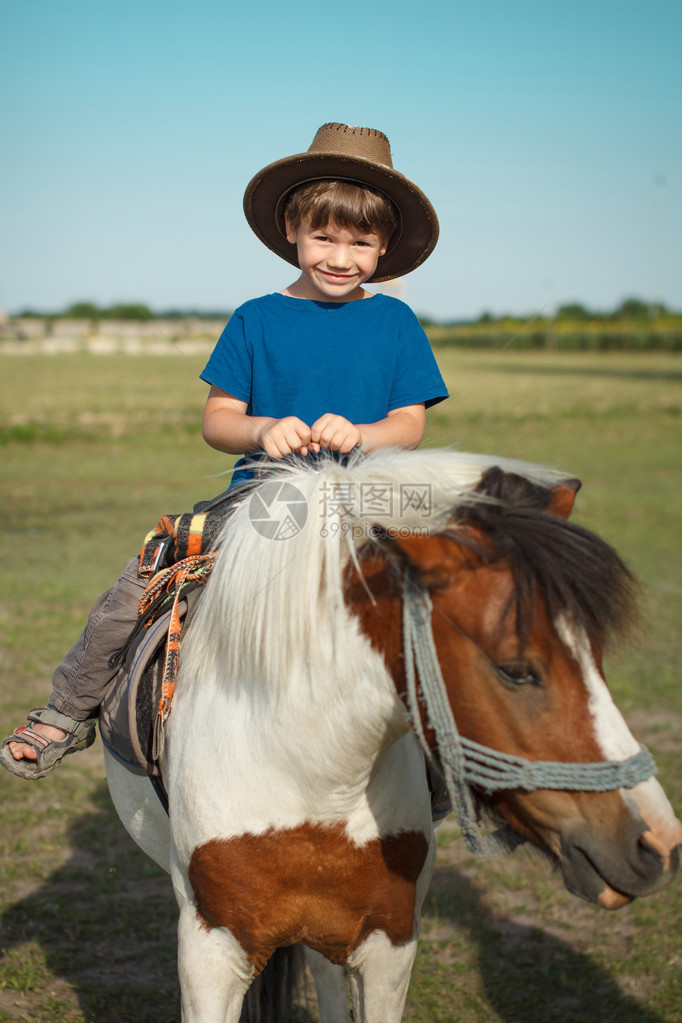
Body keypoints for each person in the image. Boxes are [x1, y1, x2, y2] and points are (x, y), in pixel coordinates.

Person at [1, 122, 448, 780]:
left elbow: (410, 424)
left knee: (455, 589)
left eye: (361, 242)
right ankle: (67, 709)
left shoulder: (396, 323)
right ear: (293, 228)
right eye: (324, 236)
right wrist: (263, 430)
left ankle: (451, 755)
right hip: (263, 496)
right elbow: (218, 420)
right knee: (150, 571)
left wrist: (365, 434)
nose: (341, 256)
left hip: (368, 493)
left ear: (385, 246)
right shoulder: (255, 318)